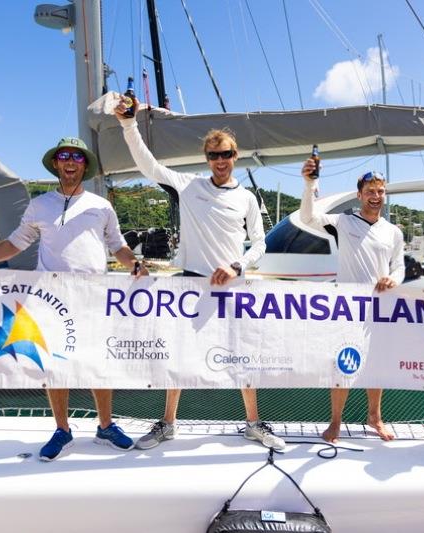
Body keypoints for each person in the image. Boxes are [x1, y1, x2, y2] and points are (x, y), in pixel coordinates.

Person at [0, 137, 148, 461]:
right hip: (52, 296)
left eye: (77, 157)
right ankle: (62, 430)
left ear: (84, 165)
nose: (70, 162)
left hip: (94, 296)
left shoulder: (101, 206)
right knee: (54, 363)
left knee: (99, 362)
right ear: (56, 163)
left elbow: (118, 246)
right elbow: (14, 244)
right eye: (64, 156)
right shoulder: (39, 205)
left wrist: (133, 264)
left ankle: (105, 426)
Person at [114, 100, 284, 451]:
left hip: (232, 284)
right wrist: (129, 124)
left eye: (225, 154)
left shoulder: (248, 199)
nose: (219, 161)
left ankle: (253, 423)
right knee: (177, 355)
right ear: (206, 158)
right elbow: (148, 165)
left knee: (242, 355)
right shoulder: (188, 185)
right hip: (190, 283)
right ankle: (168, 423)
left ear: (235, 155)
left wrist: (237, 266)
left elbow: (260, 245)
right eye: (212, 155)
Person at [299, 160, 405, 443]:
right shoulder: (343, 222)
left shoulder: (393, 232)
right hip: (346, 308)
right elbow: (307, 217)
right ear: (359, 195)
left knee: (376, 365)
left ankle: (375, 417)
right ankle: (335, 421)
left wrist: (394, 279)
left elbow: (400, 267)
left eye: (380, 191)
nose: (375, 195)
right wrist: (310, 185)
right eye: (370, 190)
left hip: (379, 307)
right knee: (342, 365)